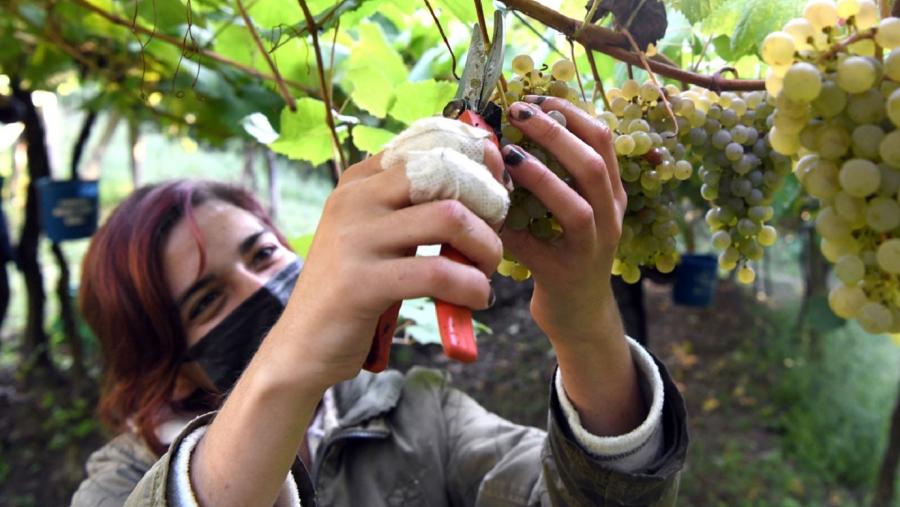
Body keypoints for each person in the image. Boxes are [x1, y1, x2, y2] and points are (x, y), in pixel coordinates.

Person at [70, 98, 688, 507]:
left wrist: (584, 325)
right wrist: (286, 367)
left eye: (262, 255)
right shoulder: (118, 483)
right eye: (207, 300)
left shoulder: (413, 414)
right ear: (165, 358)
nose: (262, 289)